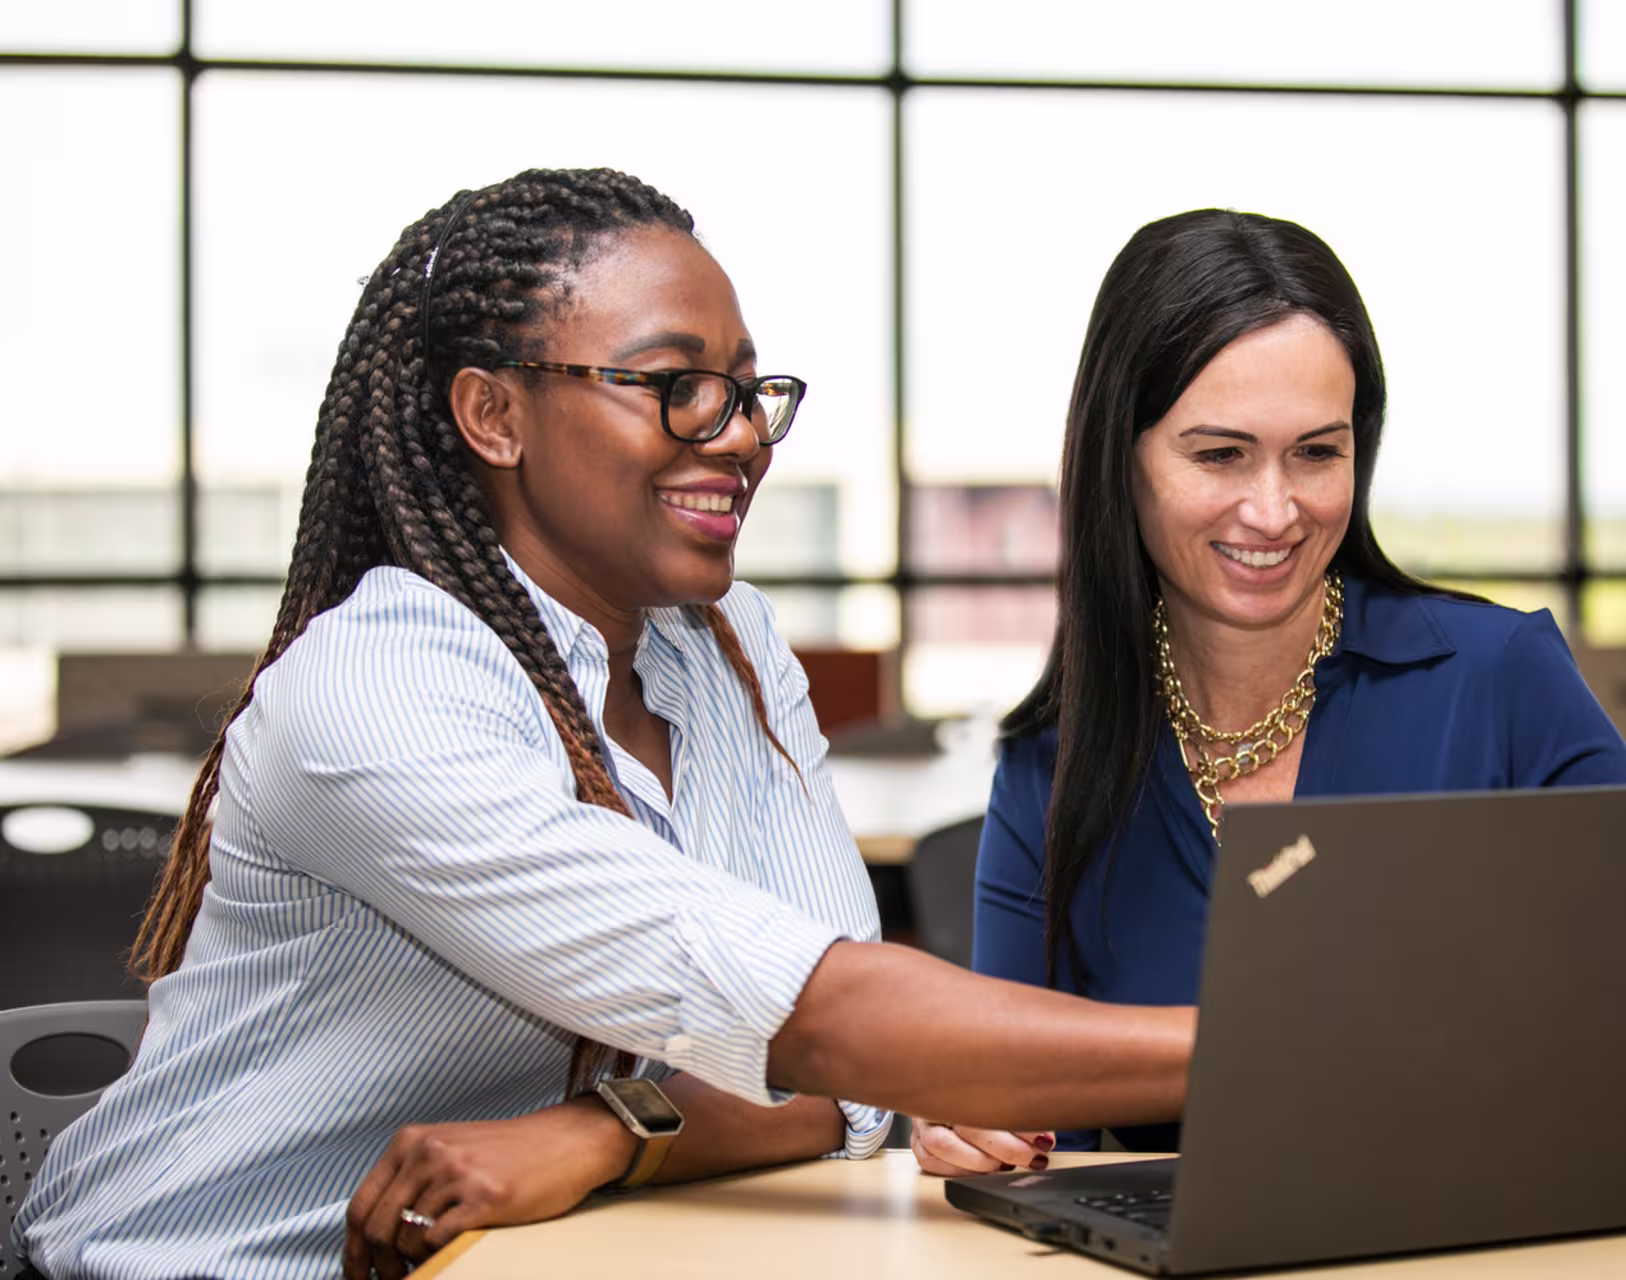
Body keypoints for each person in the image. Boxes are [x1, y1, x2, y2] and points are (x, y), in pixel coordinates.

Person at [11, 170, 1195, 1280]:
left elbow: (840, 1082)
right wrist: (1250, 1043)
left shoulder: (733, 646)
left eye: (742, 389)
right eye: (670, 382)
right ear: (493, 412)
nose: (734, 432)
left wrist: (605, 1133)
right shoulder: (380, 687)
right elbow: (829, 1030)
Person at [909, 209, 1626, 1225]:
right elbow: (1025, 1111)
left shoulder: (1499, 678)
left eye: (1316, 451)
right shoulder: (1052, 762)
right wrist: (975, 1128)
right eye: (1218, 454)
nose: (1274, 508)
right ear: (1120, 456)